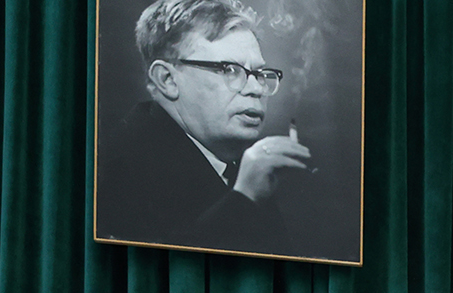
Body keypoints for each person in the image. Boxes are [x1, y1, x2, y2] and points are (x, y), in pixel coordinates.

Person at [96, 0, 312, 255]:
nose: (256, 89)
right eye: (230, 70)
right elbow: (159, 271)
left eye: (259, 73)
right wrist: (244, 197)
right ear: (167, 79)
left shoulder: (244, 164)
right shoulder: (118, 169)